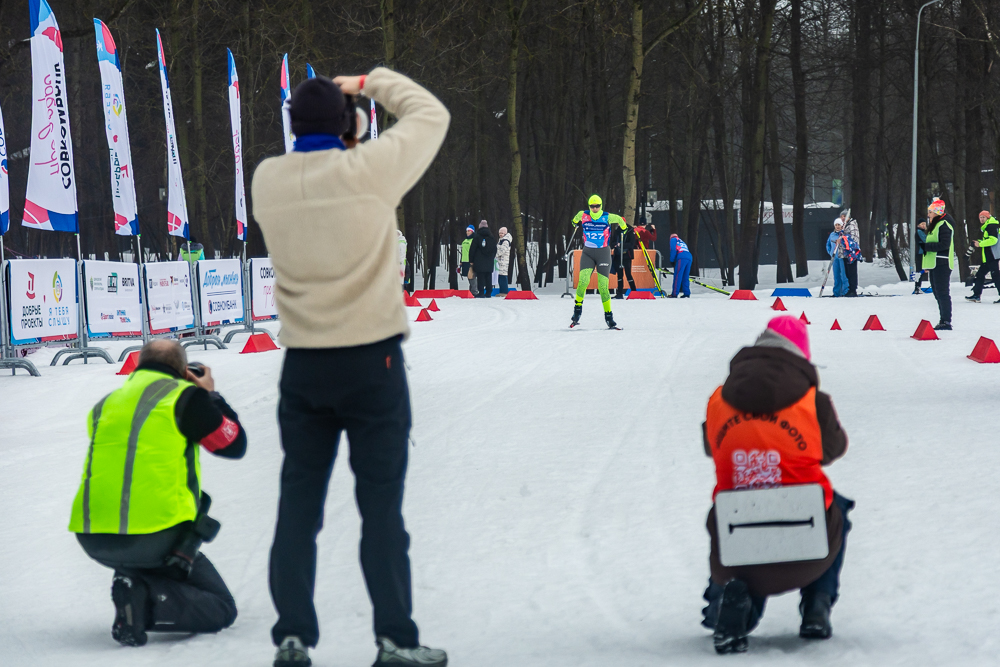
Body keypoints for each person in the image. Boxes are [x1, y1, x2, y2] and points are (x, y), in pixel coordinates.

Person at [251, 68, 449, 667]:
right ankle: (395, 640)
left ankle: (292, 637)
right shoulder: (370, 171)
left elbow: (317, 161)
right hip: (372, 361)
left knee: (298, 507)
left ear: (292, 126)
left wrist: (346, 127)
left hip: (303, 367)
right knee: (381, 510)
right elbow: (430, 114)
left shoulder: (268, 179)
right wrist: (369, 81)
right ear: (349, 126)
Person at [68, 339, 246, 647]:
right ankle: (142, 598)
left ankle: (133, 580)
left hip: (92, 537)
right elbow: (234, 444)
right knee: (221, 607)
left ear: (139, 365)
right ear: (184, 370)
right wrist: (209, 395)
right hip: (153, 537)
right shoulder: (185, 398)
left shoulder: (106, 403)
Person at [701, 316, 853, 654]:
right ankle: (817, 605)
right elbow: (834, 449)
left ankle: (726, 601)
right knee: (836, 506)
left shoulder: (718, 400)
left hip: (737, 541)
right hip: (808, 541)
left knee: (727, 518)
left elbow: (711, 446)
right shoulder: (814, 401)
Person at [570, 194, 629, 328]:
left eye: (597, 206)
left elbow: (620, 219)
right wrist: (574, 223)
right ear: (589, 206)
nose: (595, 209)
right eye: (592, 206)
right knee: (583, 282)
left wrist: (624, 228)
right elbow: (574, 220)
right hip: (588, 253)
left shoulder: (607, 217)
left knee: (603, 286)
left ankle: (609, 316)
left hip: (603, 253)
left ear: (601, 206)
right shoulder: (583, 215)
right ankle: (577, 311)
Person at [921, 198, 955, 330]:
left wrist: (927, 247)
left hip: (942, 263)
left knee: (942, 293)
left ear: (937, 212)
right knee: (937, 293)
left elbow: (945, 244)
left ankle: (946, 321)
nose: (928, 214)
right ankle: (943, 320)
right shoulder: (936, 224)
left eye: (930, 212)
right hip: (935, 264)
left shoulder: (944, 224)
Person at [965, 210, 1000, 303]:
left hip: (993, 256)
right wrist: (979, 242)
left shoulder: (991, 226)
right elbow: (988, 240)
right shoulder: (987, 226)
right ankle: (976, 295)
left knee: (996, 276)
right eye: (980, 217)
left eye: (983, 217)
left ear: (988, 217)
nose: (981, 219)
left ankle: (976, 295)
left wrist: (980, 244)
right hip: (988, 257)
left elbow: (993, 240)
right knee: (980, 275)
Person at [469, 220, 497, 298]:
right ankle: (488, 292)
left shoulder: (477, 237)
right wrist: (492, 257)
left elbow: (472, 249)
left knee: (480, 276)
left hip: (479, 260)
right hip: (489, 260)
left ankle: (481, 292)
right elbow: (495, 249)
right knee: (488, 276)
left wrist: (471, 260)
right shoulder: (491, 237)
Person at [610, 223, 637, 299]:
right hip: (618, 255)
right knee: (619, 274)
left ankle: (634, 292)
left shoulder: (630, 231)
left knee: (628, 274)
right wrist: (615, 245)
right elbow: (612, 242)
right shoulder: (617, 231)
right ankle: (619, 293)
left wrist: (621, 245)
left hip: (627, 255)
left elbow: (631, 244)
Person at [825, 218, 847, 297]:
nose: (837, 226)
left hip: (842, 257)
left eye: (839, 225)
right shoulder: (832, 235)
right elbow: (828, 244)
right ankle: (837, 292)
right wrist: (830, 252)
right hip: (834, 258)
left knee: (843, 275)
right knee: (836, 275)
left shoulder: (843, 234)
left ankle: (845, 292)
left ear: (841, 226)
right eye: (836, 225)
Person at [842, 214, 862, 297]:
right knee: (847, 272)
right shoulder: (845, 225)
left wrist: (843, 238)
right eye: (841, 216)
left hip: (852, 253)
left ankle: (853, 289)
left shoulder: (852, 225)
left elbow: (853, 238)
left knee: (852, 271)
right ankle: (849, 289)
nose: (843, 218)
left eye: (844, 216)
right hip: (846, 253)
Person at [668, 233, 692, 298]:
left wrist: (672, 260)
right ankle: (686, 293)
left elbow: (673, 250)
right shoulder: (681, 241)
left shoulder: (673, 239)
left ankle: (674, 294)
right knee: (685, 276)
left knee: (678, 276)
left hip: (682, 257)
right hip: (689, 257)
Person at [913, 220, 928, 294]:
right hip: (920, 253)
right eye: (922, 224)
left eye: (924, 224)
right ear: (918, 225)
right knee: (919, 271)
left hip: (921, 252)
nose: (924, 226)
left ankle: (918, 287)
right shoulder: (919, 231)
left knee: (921, 270)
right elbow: (925, 240)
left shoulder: (921, 232)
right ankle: (917, 287)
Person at [497, 226, 513, 294]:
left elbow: (501, 251)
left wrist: (494, 255)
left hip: (503, 261)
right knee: (501, 276)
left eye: (502, 233)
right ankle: (502, 291)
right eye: (500, 233)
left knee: (503, 276)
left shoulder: (505, 241)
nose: (500, 234)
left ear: (505, 234)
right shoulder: (501, 240)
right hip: (500, 261)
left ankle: (504, 292)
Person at [460, 225, 475, 294]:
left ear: (472, 232)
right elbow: (463, 251)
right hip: (465, 260)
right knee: (468, 276)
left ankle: (474, 291)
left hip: (471, 261)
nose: (467, 232)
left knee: (472, 276)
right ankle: (471, 290)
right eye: (466, 231)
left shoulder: (474, 240)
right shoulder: (465, 240)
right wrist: (461, 261)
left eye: (469, 231)